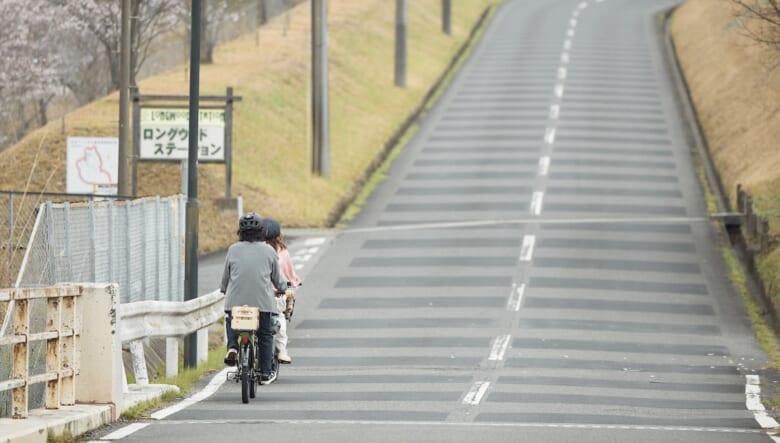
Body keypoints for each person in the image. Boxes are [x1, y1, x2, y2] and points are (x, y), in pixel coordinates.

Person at [221, 212, 288, 385]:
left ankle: (233, 347)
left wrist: (223, 289)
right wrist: (282, 288)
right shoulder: (269, 251)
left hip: (235, 302)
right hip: (262, 304)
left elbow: (226, 276)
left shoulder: (233, 249)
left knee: (231, 320)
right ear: (261, 231)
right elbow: (278, 279)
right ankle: (266, 373)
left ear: (240, 232)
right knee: (265, 334)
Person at [262, 217, 301, 364]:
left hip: (257, 291)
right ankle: (282, 350)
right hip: (276, 291)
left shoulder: (254, 248)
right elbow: (289, 274)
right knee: (279, 319)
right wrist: (292, 284)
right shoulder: (282, 252)